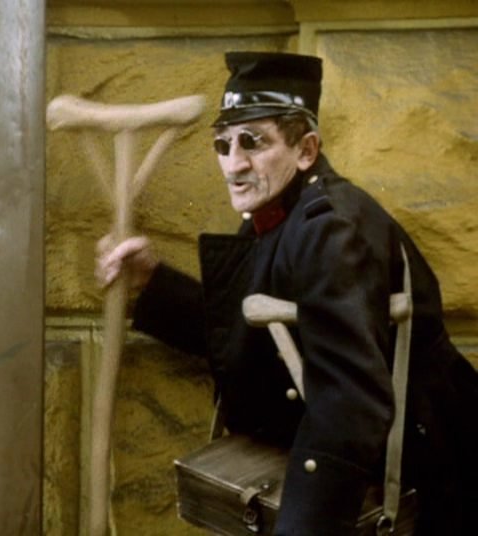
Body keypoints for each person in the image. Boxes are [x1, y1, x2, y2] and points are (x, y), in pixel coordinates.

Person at [95, 51, 478, 535]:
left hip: (429, 468)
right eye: (223, 144)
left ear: (306, 150)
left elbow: (348, 402)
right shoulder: (280, 211)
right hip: (375, 454)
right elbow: (254, 328)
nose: (233, 164)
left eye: (253, 142)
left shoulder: (331, 230)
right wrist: (152, 281)